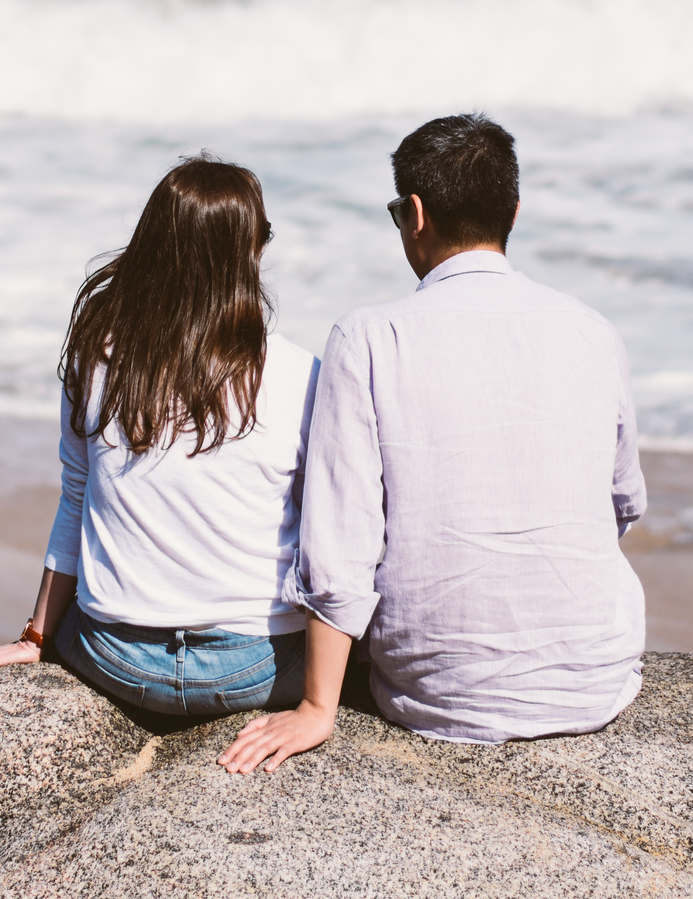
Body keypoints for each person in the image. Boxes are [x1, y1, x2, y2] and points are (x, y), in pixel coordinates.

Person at [217, 112, 646, 773]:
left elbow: (339, 544)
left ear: (414, 213)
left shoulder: (369, 337)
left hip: (440, 694)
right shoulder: (596, 332)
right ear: (515, 210)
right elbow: (621, 503)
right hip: (596, 678)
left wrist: (317, 707)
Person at [0, 156, 320, 719]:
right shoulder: (299, 373)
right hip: (253, 669)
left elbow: (76, 497)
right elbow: (327, 533)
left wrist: (36, 636)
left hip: (116, 659)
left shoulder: (99, 355)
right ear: (252, 251)